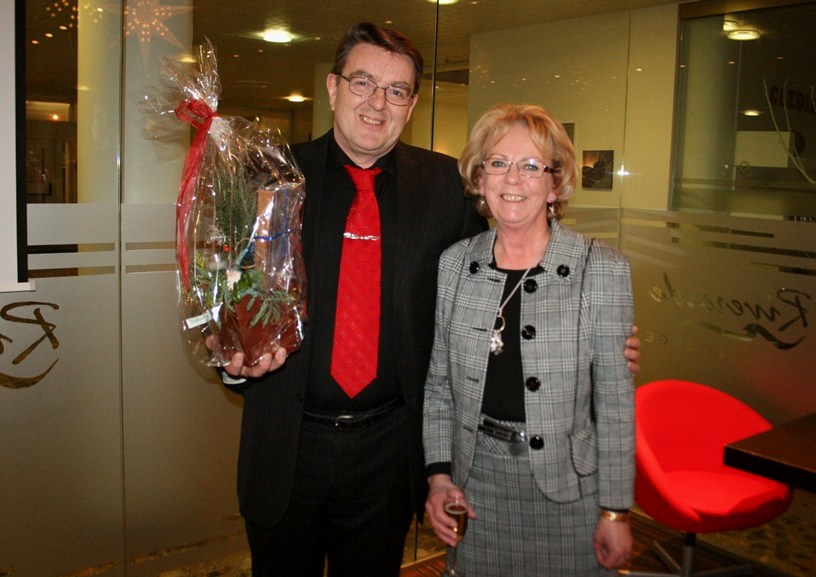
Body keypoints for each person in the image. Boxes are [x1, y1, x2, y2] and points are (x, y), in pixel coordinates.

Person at [220, 24, 640, 577]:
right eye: (363, 82)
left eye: (396, 90)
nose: (378, 103)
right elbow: (231, 286)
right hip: (286, 444)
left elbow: (499, 279)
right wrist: (230, 352)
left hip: (390, 451)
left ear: (412, 104)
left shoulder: (444, 186)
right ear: (333, 87)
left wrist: (598, 343)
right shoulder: (272, 176)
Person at [423, 103, 635, 577]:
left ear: (554, 185)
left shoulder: (601, 269)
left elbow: (616, 404)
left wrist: (616, 510)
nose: (513, 179)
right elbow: (438, 388)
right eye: (498, 163)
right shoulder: (455, 265)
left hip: (569, 492)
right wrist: (439, 477)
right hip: (475, 486)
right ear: (480, 179)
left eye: (532, 166)